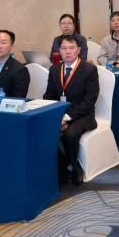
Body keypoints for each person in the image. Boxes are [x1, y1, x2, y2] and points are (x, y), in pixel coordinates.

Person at [44, 35, 99, 185]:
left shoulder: (89, 70)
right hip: (60, 113)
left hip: (83, 114)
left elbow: (89, 101)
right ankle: (59, 167)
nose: (67, 52)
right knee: (44, 129)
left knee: (70, 134)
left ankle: (75, 167)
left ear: (79, 50)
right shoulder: (55, 69)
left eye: (71, 48)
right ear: (59, 51)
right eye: (64, 48)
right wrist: (54, 116)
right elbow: (49, 96)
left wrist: (66, 117)